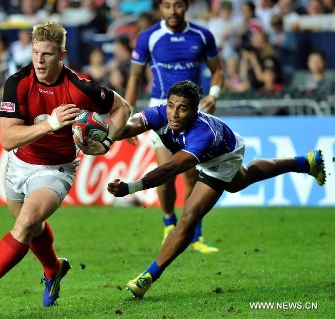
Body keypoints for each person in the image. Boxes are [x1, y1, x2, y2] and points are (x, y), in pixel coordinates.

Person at [0, 21, 131, 310]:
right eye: (36, 52)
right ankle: (53, 269)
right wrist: (51, 123)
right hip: (19, 163)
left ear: (61, 56)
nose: (39, 60)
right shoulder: (18, 82)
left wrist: (108, 143)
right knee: (31, 227)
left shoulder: (79, 87)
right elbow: (7, 138)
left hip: (56, 168)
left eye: (47, 54)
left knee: (25, 223)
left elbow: (122, 108)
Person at [106, 80, 326, 298]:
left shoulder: (203, 134)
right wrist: (104, 134)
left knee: (190, 216)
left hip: (222, 156)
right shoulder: (160, 113)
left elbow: (171, 168)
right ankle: (305, 162)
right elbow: (131, 125)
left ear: (194, 111)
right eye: (171, 105)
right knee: (243, 178)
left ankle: (147, 277)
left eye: (182, 108)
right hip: (216, 148)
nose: (174, 113)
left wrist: (131, 187)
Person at [124, 0, 225, 252]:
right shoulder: (149, 37)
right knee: (167, 173)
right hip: (162, 111)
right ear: (160, 8)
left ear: (187, 6)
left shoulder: (202, 35)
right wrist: (127, 114)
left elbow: (218, 70)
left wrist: (214, 94)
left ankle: (196, 235)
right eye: (167, 6)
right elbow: (135, 78)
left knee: (192, 175)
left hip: (194, 113)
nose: (173, 11)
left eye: (178, 5)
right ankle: (169, 222)